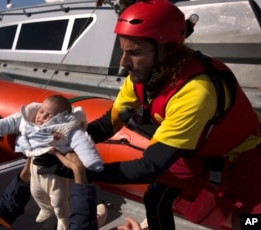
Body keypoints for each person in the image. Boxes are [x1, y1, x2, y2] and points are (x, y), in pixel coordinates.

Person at [37, 1, 261, 230]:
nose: (123, 63)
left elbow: (150, 166)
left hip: (244, 157)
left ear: (168, 51)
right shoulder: (143, 78)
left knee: (250, 223)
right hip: (197, 151)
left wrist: (78, 170)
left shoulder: (196, 91)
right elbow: (106, 125)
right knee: (156, 197)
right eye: (122, 50)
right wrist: (63, 146)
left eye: (134, 53)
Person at [0, 95, 104, 229]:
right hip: (34, 168)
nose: (41, 116)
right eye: (41, 111)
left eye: (48, 115)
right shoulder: (29, 120)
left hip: (54, 173)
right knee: (35, 192)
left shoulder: (66, 128)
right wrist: (0, 126)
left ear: (59, 118)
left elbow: (82, 142)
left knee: (58, 198)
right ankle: (45, 209)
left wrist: (92, 161)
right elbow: (13, 121)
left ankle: (63, 218)